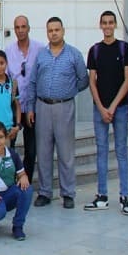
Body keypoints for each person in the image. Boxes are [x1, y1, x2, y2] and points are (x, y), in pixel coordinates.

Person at [27, 16, 88, 209]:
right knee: (43, 152)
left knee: (65, 152)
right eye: (50, 30)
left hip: (64, 107)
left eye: (56, 30)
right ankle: (45, 192)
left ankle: (68, 193)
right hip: (42, 106)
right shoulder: (41, 55)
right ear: (47, 32)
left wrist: (69, 92)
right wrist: (30, 108)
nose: (53, 33)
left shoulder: (74, 55)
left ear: (63, 31)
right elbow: (33, 82)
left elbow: (83, 79)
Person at [85, 11, 128, 214]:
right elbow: (92, 81)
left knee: (121, 152)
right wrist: (101, 107)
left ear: (115, 25)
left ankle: (125, 197)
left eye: (110, 23)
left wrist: (112, 107)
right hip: (100, 110)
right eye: (104, 23)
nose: (107, 26)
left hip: (120, 109)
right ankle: (102, 195)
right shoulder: (94, 51)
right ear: (100, 25)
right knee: (101, 152)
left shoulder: (124, 49)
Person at [5, 14, 45, 183]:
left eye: (23, 27)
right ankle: (9, 180)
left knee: (31, 147)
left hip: (33, 104)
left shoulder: (40, 48)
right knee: (9, 146)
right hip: (14, 105)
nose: (20, 30)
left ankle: (26, 180)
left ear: (28, 28)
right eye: (17, 27)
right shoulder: (8, 50)